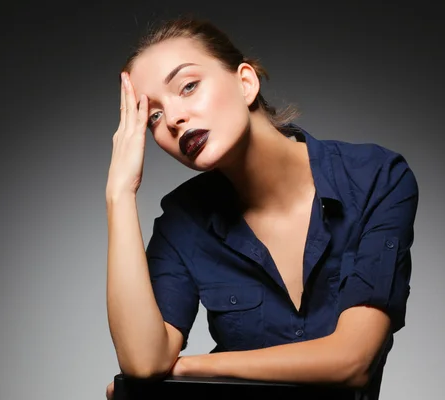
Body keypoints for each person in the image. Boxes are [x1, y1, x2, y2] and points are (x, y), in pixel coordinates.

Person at [105, 16, 418, 400]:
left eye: (188, 86)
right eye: (152, 115)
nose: (173, 119)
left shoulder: (375, 179)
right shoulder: (183, 221)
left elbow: (352, 360)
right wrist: (120, 193)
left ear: (246, 82)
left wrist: (184, 368)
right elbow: (142, 360)